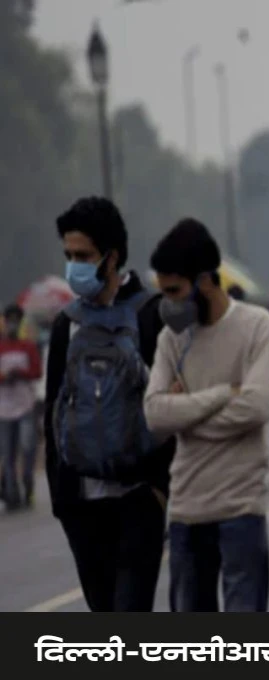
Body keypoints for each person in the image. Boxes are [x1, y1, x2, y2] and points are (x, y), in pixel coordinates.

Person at [44, 196, 174, 611]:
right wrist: (62, 502)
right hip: (82, 507)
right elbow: (53, 412)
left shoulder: (151, 315)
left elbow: (171, 406)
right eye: (68, 255)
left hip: (138, 500)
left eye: (83, 255)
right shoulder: (67, 324)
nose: (74, 266)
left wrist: (160, 490)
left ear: (112, 257)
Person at [143, 219, 269, 612]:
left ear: (204, 281)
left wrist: (185, 414)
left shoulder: (255, 326)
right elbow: (153, 414)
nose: (167, 303)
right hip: (186, 513)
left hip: (241, 510)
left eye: (174, 291)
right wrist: (221, 394)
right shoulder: (171, 338)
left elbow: (255, 408)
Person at [0, 304, 42, 510]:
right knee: (8, 454)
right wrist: (5, 376)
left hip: (25, 406)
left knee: (28, 448)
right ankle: (12, 494)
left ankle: (28, 484)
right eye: (10, 320)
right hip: (4, 409)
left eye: (17, 320)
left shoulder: (28, 346)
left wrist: (21, 373)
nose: (13, 324)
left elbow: (37, 372)